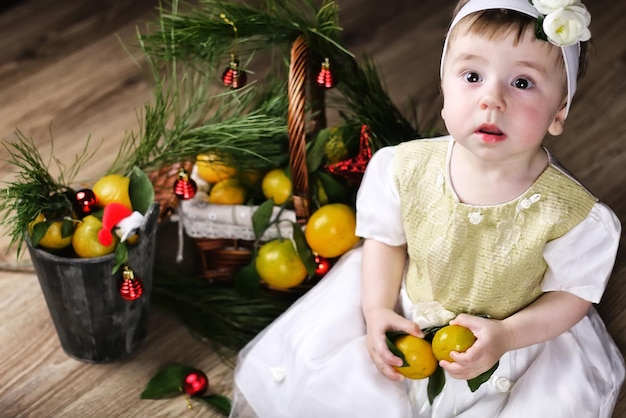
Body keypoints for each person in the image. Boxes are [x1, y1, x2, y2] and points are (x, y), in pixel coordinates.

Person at [229, 0, 624, 416]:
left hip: (513, 335)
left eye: (522, 83)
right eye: (472, 76)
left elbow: (570, 296)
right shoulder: (403, 169)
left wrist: (507, 335)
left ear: (559, 111)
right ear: (444, 91)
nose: (492, 99)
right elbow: (385, 244)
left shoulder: (572, 215)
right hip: (411, 310)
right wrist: (378, 309)